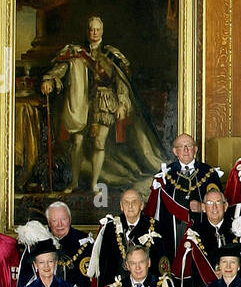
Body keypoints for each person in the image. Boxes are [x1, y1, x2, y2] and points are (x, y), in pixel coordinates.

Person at [39, 16, 160, 194]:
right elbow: (60, 69)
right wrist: (49, 80)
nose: (94, 33)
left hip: (104, 102)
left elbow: (121, 82)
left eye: (97, 29)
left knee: (99, 142)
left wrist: (121, 104)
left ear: (102, 31)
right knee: (77, 141)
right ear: (87, 31)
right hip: (81, 101)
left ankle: (94, 183)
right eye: (91, 29)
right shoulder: (76, 52)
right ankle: (74, 182)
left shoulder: (111, 55)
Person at [146, 133, 225, 243]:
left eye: (189, 146)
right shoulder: (165, 175)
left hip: (202, 229)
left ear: (195, 149)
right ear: (175, 151)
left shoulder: (209, 173)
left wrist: (203, 207)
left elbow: (221, 204)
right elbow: (157, 210)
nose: (186, 150)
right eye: (181, 147)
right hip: (173, 232)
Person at [89, 188, 171, 287]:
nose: (130, 206)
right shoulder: (110, 228)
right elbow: (104, 266)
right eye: (126, 202)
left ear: (141, 205)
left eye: (134, 202)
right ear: (121, 206)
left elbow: (162, 265)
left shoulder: (156, 228)